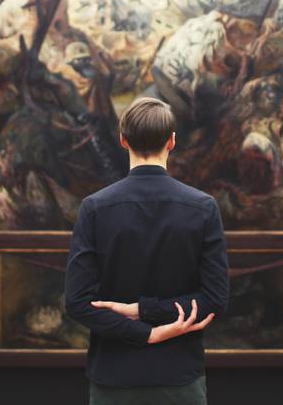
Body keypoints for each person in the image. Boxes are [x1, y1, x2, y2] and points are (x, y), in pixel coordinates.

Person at [64, 96, 230, 405]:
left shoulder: (94, 208)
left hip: (114, 379)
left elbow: (77, 303)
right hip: (178, 378)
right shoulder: (203, 207)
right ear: (172, 141)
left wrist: (140, 313)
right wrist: (149, 328)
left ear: (123, 140)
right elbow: (215, 300)